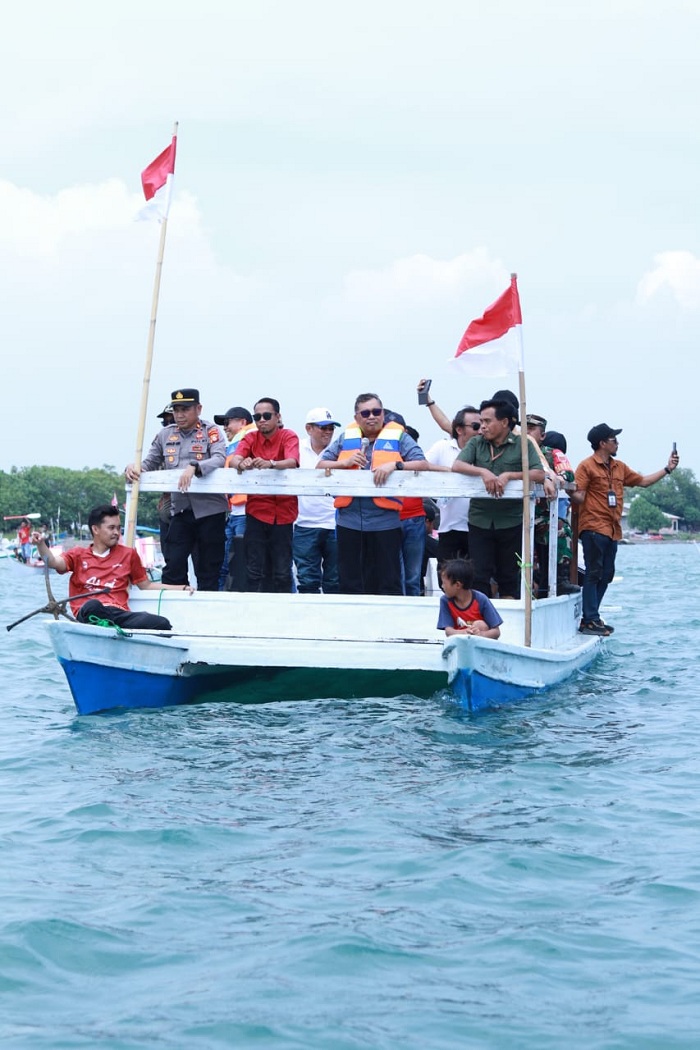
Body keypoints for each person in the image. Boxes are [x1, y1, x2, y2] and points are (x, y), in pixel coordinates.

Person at [572, 424, 679, 635]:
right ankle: (590, 619)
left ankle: (591, 617)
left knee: (606, 574)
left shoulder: (619, 467)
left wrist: (668, 469)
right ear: (602, 443)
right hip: (593, 526)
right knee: (594, 572)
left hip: (612, 530)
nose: (617, 443)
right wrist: (565, 488)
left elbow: (644, 482)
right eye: (614, 440)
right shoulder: (586, 466)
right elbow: (579, 495)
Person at [319, 393, 429, 595]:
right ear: (356, 417)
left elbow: (422, 463)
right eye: (366, 413)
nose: (372, 416)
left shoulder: (399, 437)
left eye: (376, 412)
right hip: (349, 522)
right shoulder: (346, 437)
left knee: (389, 583)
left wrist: (395, 465)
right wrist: (344, 462)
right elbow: (321, 464)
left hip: (385, 523)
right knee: (350, 583)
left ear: (383, 414)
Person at [125, 388, 228, 591]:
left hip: (210, 510)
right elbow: (149, 463)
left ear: (198, 409)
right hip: (180, 509)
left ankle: (206, 607)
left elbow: (219, 458)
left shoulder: (211, 431)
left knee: (208, 568)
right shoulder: (165, 434)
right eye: (176, 410)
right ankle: (176, 605)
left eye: (185, 409)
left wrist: (195, 467)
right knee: (173, 566)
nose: (179, 415)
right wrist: (133, 467)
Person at [31, 505, 192, 630]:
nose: (116, 532)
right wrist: (41, 544)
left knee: (162, 623)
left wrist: (181, 588)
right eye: (111, 528)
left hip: (119, 614)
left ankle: (114, 629)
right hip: (89, 614)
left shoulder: (129, 554)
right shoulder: (78, 554)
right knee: (93, 606)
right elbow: (53, 562)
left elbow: (146, 585)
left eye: (118, 528)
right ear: (95, 529)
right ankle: (106, 626)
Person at [452, 397, 545, 598]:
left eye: (487, 421)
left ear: (504, 422)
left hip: (511, 520)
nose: (482, 427)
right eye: (481, 422)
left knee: (509, 575)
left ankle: (509, 612)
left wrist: (510, 475)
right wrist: (483, 472)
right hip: (479, 518)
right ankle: (481, 613)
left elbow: (539, 473)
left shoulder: (522, 444)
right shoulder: (476, 443)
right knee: (478, 575)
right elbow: (457, 465)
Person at [228, 397, 300, 592]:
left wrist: (271, 464)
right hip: (256, 512)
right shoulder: (250, 438)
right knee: (253, 570)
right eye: (257, 417)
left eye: (266, 416)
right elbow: (234, 460)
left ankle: (283, 608)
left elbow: (292, 461)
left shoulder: (288, 436)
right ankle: (252, 608)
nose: (261, 420)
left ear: (278, 417)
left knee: (282, 571)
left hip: (284, 513)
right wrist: (242, 463)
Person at [425, 406, 482, 572]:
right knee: (446, 577)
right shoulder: (443, 447)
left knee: (478, 578)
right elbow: (422, 464)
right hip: (449, 528)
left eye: (482, 425)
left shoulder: (486, 449)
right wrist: (447, 470)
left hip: (480, 528)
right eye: (475, 426)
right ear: (459, 429)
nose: (480, 431)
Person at [293, 407, 341, 593]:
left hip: (335, 524)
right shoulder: (296, 449)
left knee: (335, 581)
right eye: (323, 427)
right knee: (307, 580)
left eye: (331, 428)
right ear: (309, 428)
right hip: (304, 524)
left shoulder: (340, 450)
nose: (328, 432)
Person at [212, 405, 255, 590]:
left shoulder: (253, 438)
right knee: (224, 564)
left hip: (247, 513)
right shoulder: (234, 444)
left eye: (228, 422)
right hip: (235, 513)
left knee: (241, 564)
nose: (225, 427)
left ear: (242, 422)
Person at [436, 558, 503, 639]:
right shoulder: (445, 600)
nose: (442, 586)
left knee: (480, 624)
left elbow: (496, 631)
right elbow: (449, 631)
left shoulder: (481, 599)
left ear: (457, 585)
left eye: (444, 583)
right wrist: (464, 633)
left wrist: (480, 634)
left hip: (480, 642)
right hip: (460, 641)